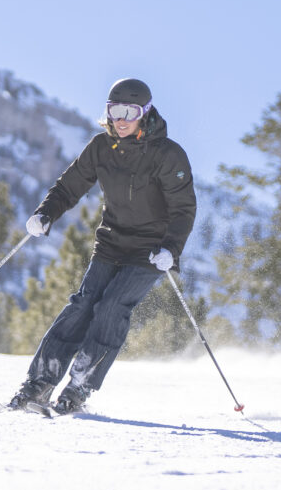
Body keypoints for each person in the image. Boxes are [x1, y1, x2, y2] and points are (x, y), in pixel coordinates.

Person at [10, 77, 197, 414]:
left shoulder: (168, 155)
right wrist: (46, 213)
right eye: (114, 111)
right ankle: (39, 384)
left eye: (129, 111)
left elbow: (183, 209)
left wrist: (171, 249)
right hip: (111, 242)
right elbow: (69, 186)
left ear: (146, 113)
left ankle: (79, 387)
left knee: (112, 307)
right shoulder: (101, 147)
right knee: (82, 306)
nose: (120, 119)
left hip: (150, 252)